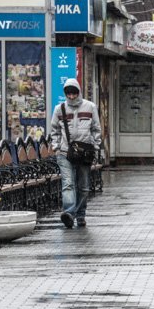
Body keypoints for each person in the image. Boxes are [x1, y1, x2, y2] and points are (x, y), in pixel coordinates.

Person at [50, 78, 102, 229]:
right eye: (68, 94)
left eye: (74, 93)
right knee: (68, 184)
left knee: (83, 186)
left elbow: (96, 128)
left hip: (85, 153)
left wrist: (95, 146)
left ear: (79, 92)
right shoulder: (59, 109)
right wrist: (56, 147)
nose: (71, 97)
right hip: (65, 152)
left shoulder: (90, 107)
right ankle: (69, 213)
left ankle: (80, 215)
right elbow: (54, 130)